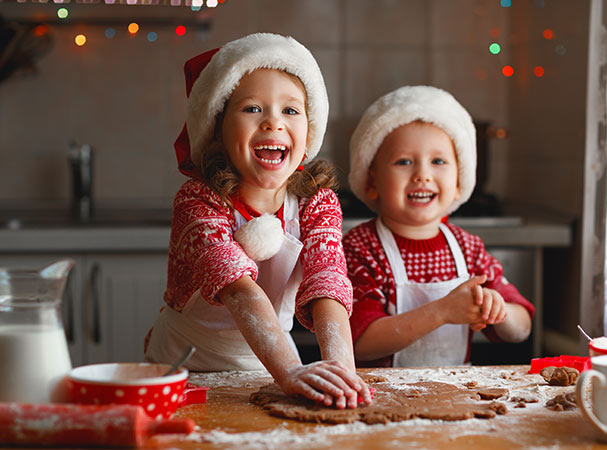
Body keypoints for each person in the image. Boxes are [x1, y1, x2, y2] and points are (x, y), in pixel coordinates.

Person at [145, 33, 371, 409]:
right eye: (252, 109)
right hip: (186, 370)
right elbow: (238, 289)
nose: (273, 123)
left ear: (309, 129)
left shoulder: (317, 202)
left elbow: (327, 283)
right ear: (217, 127)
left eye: (291, 110)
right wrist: (292, 373)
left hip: (267, 368)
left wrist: (341, 370)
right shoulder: (198, 200)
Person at [343, 86, 535, 367]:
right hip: (379, 401)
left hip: (456, 399)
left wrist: (498, 310)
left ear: (459, 182)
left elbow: (522, 328)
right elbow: (358, 344)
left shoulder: (468, 249)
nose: (423, 175)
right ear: (372, 182)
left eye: (438, 161)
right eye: (404, 162)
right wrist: (441, 312)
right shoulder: (360, 248)